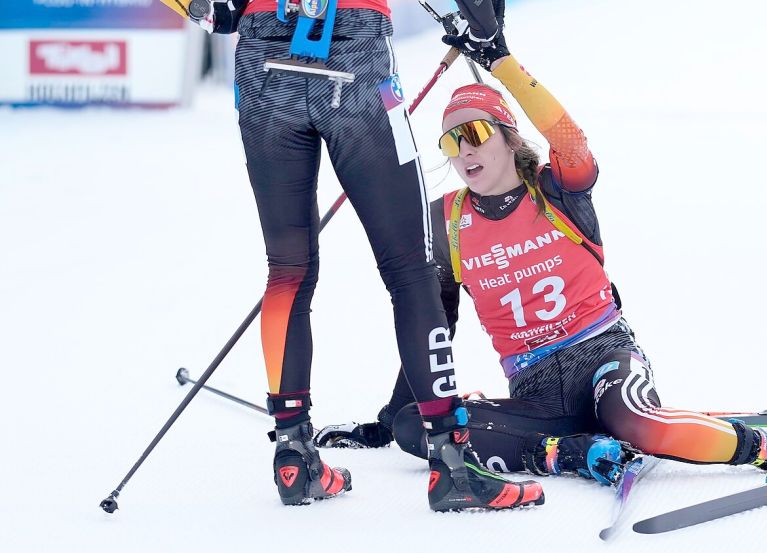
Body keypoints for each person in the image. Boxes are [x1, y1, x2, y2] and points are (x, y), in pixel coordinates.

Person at [322, 12, 767, 485]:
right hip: (534, 391)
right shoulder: (448, 220)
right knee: (418, 427)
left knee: (637, 424)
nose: (463, 152)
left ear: (509, 137)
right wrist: (391, 414)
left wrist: (501, 61)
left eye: (476, 133)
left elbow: (571, 141)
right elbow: (432, 326)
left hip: (602, 358)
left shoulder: (557, 190)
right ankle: (567, 455)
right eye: (450, 141)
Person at [172, 0, 545, 510]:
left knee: (286, 272)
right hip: (354, 42)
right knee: (411, 269)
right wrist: (480, 16)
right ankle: (452, 466)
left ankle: (294, 456)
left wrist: (202, 8)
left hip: (261, 55)